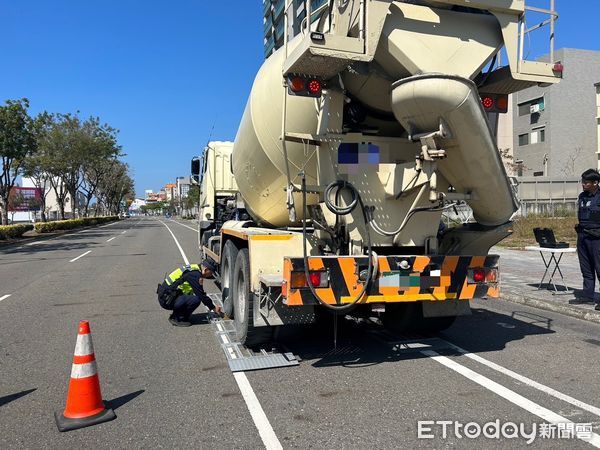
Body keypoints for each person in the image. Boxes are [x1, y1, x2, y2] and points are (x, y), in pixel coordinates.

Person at [163, 259, 223, 326]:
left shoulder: (194, 268)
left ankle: (177, 314)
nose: (211, 275)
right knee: (196, 299)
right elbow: (201, 295)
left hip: (166, 295)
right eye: (211, 273)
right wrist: (213, 308)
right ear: (206, 269)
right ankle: (177, 318)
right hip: (166, 299)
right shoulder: (195, 275)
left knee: (191, 295)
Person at [576, 168, 600, 310]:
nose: (584, 184)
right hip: (583, 236)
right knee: (586, 268)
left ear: (595, 183)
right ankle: (587, 295)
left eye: (587, 182)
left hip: (597, 238)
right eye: (583, 182)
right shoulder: (582, 196)